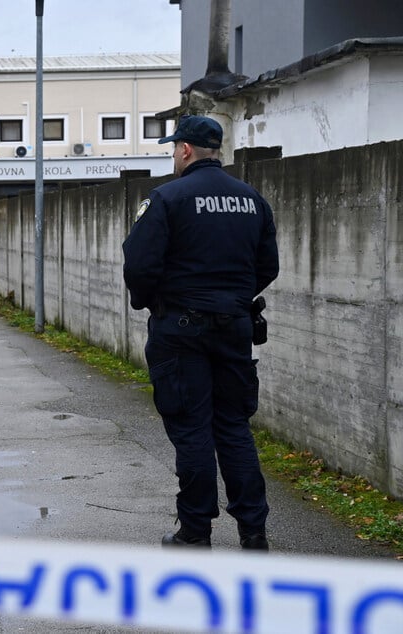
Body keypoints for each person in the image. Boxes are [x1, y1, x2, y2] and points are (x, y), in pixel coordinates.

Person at [122, 115, 279, 551]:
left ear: (185, 149)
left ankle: (195, 532)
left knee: (193, 431)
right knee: (233, 427)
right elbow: (269, 265)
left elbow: (138, 265)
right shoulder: (252, 200)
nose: (174, 155)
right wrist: (232, 300)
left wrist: (153, 302)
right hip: (235, 328)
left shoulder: (168, 198)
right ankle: (254, 533)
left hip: (181, 330)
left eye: (175, 148)